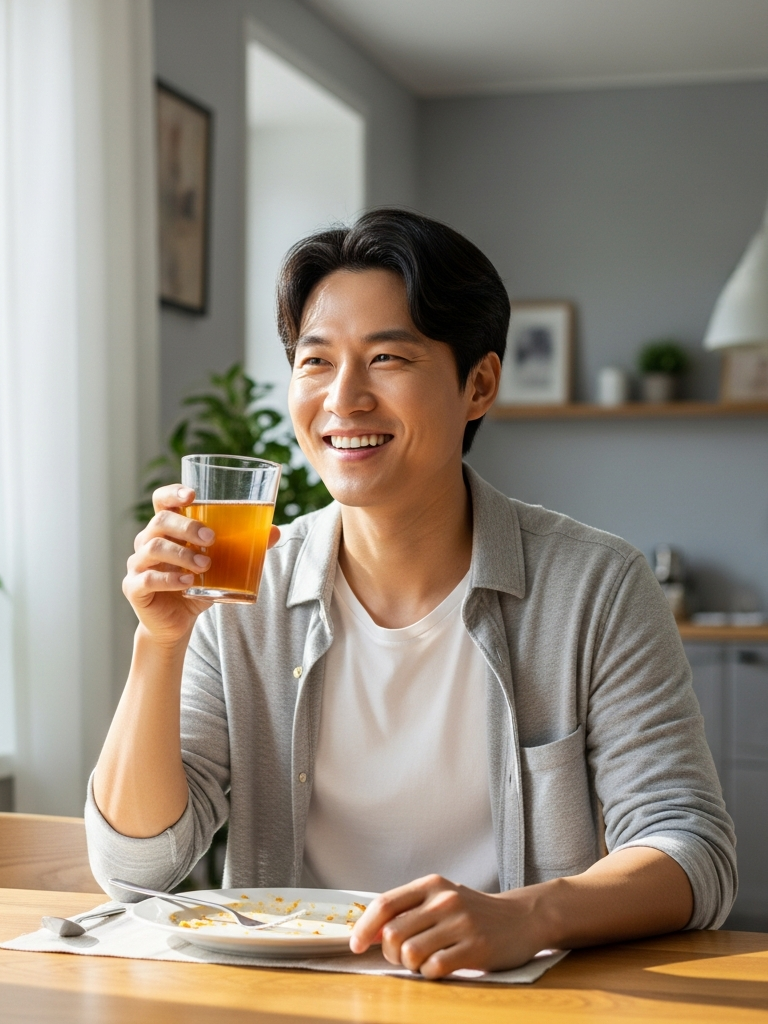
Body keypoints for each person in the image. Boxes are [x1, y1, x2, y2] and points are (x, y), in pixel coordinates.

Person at [87, 209, 736, 977]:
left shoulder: (596, 586)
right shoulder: (242, 589)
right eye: (316, 361)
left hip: (510, 999)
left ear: (479, 384)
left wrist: (527, 916)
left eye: (388, 357)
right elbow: (136, 870)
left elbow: (691, 850)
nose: (343, 399)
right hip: (288, 998)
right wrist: (159, 643)